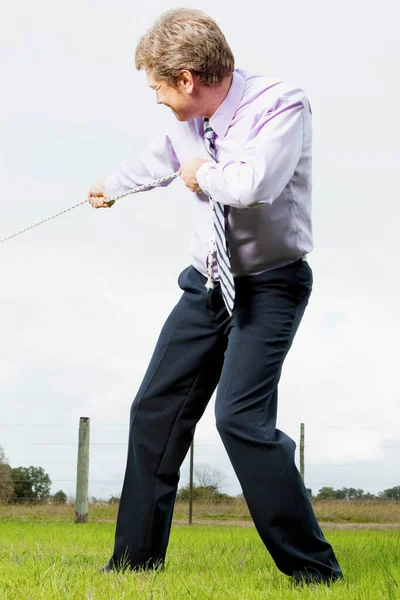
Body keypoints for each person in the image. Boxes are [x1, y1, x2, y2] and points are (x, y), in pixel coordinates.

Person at [88, 7, 343, 585]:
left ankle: (314, 572)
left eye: (157, 85)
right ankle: (133, 566)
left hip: (270, 285)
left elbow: (255, 184)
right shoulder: (187, 124)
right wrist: (110, 187)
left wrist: (203, 173)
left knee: (240, 419)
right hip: (206, 283)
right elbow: (159, 160)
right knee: (153, 410)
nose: (155, 97)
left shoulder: (282, 105)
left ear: (186, 78)